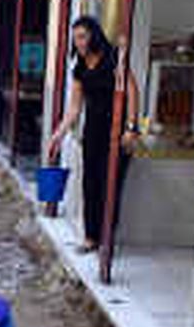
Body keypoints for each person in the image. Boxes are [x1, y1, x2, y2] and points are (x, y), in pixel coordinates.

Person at [45, 15, 140, 254]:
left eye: (83, 36)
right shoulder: (79, 67)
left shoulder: (112, 58)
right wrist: (58, 133)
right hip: (93, 133)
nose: (78, 42)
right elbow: (75, 107)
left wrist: (131, 128)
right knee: (90, 183)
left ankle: (107, 239)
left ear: (93, 35)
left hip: (117, 132)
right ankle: (91, 237)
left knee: (111, 186)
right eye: (75, 37)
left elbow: (132, 90)